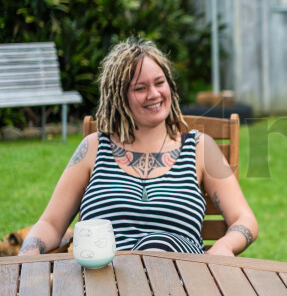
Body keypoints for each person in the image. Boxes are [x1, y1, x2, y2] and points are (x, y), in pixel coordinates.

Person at [20, 38, 257, 257]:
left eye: (159, 83)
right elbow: (51, 224)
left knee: (158, 244)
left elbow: (244, 219)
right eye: (140, 88)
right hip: (107, 283)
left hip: (180, 283)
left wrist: (224, 246)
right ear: (119, 97)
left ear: (170, 86)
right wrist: (28, 254)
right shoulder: (93, 148)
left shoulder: (199, 148)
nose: (154, 94)